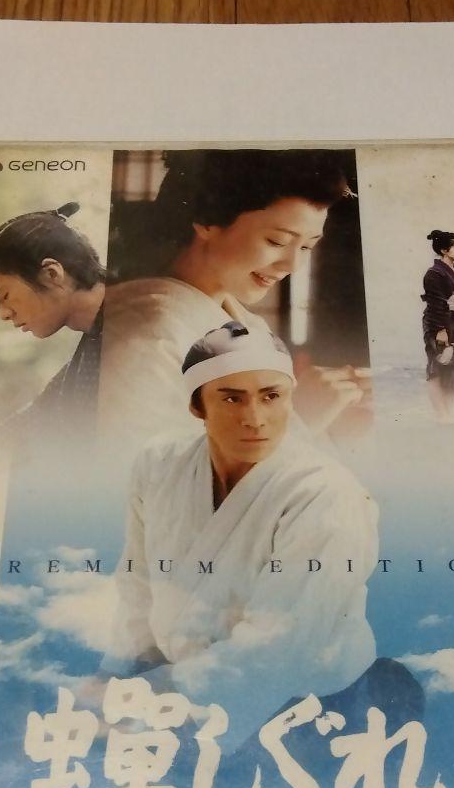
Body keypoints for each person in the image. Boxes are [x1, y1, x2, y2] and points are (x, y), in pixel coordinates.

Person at [102, 322, 379, 751]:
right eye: (232, 398)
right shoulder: (160, 463)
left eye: (271, 396)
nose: (255, 418)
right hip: (176, 685)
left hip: (304, 708)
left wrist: (145, 704)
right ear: (197, 406)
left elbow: (279, 646)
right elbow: (138, 585)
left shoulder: (324, 492)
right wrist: (119, 675)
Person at [98, 150, 367, 446]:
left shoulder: (248, 325)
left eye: (306, 247)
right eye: (277, 241)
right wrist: (299, 419)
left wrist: (335, 427)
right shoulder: (146, 333)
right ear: (207, 220)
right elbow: (129, 465)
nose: (292, 266)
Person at [0, 203, 106, 424]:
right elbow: (35, 416)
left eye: (4, 295)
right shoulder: (89, 348)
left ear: (51, 274)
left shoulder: (136, 328)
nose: (3, 314)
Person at [421, 228, 454, 418]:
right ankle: (441, 416)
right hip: (439, 323)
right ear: (444, 250)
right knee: (438, 366)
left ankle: (448, 415)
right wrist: (440, 330)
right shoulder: (434, 274)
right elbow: (436, 303)